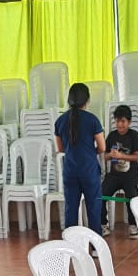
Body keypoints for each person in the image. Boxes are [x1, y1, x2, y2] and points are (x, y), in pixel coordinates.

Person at [54, 83, 105, 233]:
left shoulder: (60, 121)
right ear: (87, 100)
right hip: (89, 171)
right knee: (94, 209)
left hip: (70, 171)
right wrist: (90, 152)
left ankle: (71, 243)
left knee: (70, 210)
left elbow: (60, 149)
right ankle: (95, 243)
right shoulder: (92, 120)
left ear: (69, 100)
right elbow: (102, 147)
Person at [100, 104, 138, 238]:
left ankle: (133, 225)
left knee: (131, 196)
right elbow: (104, 156)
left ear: (129, 122)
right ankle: (103, 225)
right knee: (100, 194)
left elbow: (137, 156)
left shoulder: (134, 136)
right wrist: (110, 155)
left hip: (130, 175)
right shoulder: (112, 136)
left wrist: (121, 156)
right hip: (114, 175)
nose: (120, 124)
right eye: (117, 121)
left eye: (123, 121)